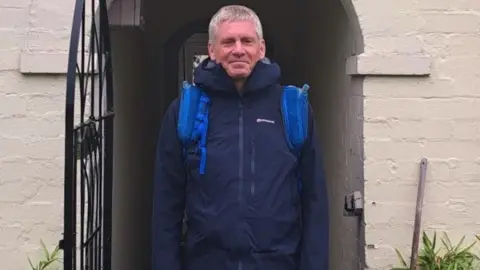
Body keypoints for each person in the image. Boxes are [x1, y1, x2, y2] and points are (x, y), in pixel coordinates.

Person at [152, 5, 329, 270]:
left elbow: (315, 202)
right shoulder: (185, 111)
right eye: (228, 42)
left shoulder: (293, 109)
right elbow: (166, 205)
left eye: (247, 41)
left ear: (261, 48)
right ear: (212, 50)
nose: (238, 49)